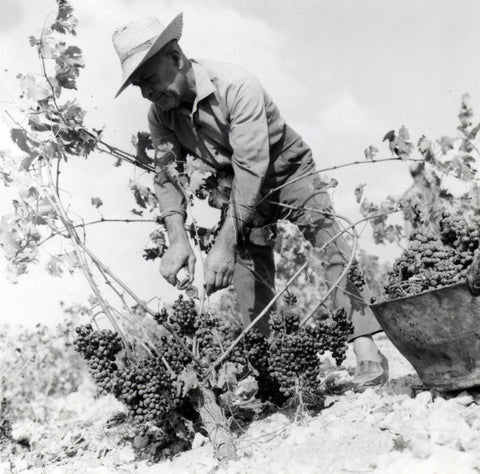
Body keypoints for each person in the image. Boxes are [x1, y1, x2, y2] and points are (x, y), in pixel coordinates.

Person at [112, 13, 388, 389]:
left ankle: (365, 345)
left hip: (284, 168)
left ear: (175, 57)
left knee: (328, 240)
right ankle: (268, 366)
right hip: (235, 184)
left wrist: (222, 242)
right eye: (137, 85)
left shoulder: (237, 86)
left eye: (146, 77)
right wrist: (177, 237)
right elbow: (167, 176)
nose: (145, 91)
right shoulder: (160, 113)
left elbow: (252, 166)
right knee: (247, 269)